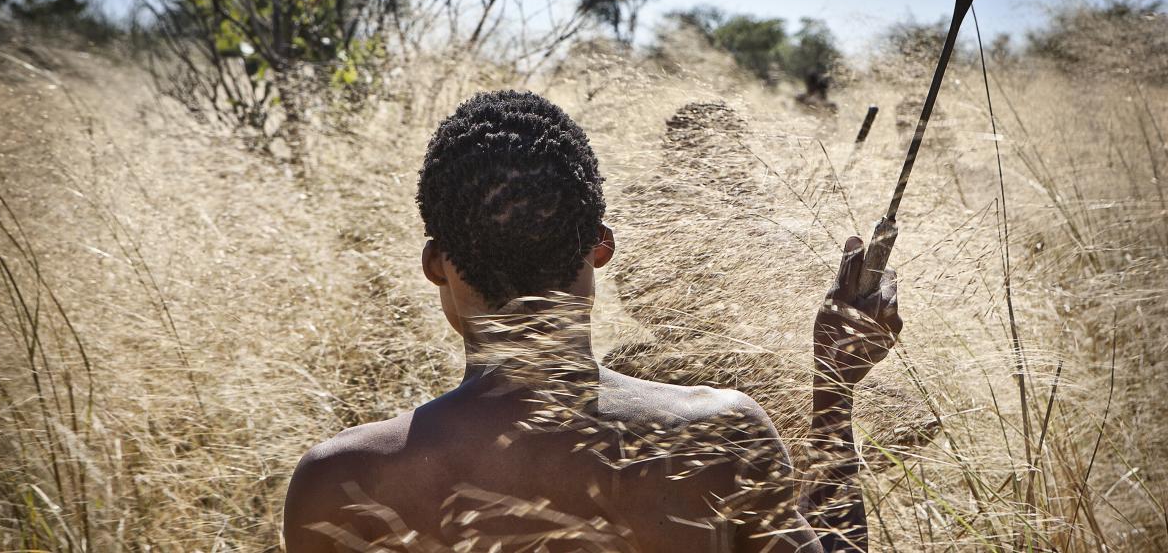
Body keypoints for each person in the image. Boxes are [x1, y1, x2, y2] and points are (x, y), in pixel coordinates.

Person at [283, 90, 902, 552]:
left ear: (435, 263)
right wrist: (833, 392)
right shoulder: (719, 435)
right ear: (601, 247)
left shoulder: (337, 480)